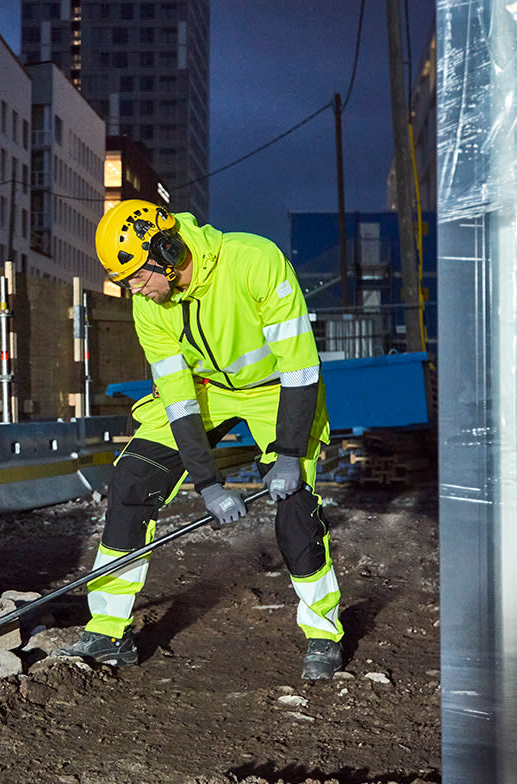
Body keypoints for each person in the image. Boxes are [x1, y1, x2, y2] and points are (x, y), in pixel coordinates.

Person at [53, 199, 344, 680]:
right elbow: (178, 399)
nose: (136, 292)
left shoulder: (254, 260)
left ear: (167, 250)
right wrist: (207, 483)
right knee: (132, 480)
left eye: (138, 278)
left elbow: (299, 366)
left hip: (276, 389)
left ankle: (323, 634)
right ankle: (107, 631)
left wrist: (289, 456)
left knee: (295, 506)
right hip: (207, 392)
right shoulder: (151, 307)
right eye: (127, 284)